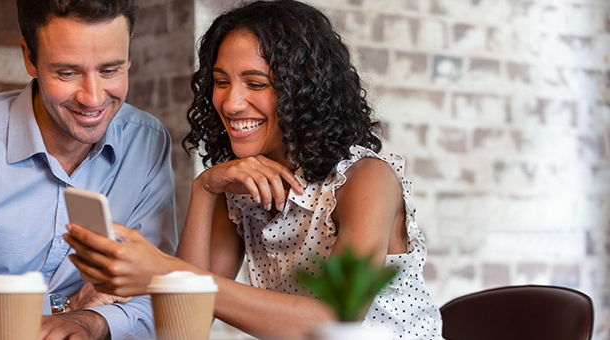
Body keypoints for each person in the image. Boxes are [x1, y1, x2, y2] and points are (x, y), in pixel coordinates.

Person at [65, 0, 442, 339]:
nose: (231, 103)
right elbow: (183, 328)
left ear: (303, 91)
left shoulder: (366, 179)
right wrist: (205, 189)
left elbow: (335, 320)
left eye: (256, 83)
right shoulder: (240, 190)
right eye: (220, 82)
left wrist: (164, 272)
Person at [0, 0, 177, 338]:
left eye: (110, 70)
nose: (92, 98)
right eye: (68, 72)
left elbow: (158, 298)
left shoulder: (146, 142)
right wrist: (59, 310)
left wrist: (91, 322)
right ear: (29, 58)